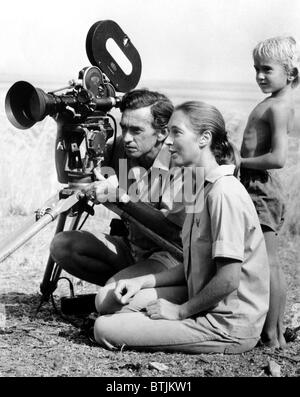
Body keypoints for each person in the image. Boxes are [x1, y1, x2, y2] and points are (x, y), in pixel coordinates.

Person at [93, 101, 270, 354]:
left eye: (177, 132)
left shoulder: (223, 193)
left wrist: (179, 311)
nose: (168, 142)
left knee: (104, 328)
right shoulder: (202, 186)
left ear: (204, 138)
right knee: (108, 300)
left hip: (226, 323)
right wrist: (141, 282)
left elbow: (229, 279)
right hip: (203, 297)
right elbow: (191, 265)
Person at [50, 89, 186, 293]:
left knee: (107, 298)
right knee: (63, 245)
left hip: (171, 257)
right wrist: (65, 126)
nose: (128, 138)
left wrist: (121, 198)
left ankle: (136, 292)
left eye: (136, 130)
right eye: (124, 128)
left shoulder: (183, 163)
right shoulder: (121, 147)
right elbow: (76, 175)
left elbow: (173, 233)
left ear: (162, 132)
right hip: (132, 248)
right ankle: (126, 289)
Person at [240, 36, 299, 348]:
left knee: (269, 262)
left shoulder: (277, 107)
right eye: (256, 69)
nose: (260, 76)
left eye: (267, 69)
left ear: (289, 73)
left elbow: (277, 159)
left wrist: (240, 162)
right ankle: (272, 330)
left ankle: (274, 335)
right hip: (256, 187)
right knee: (263, 261)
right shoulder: (275, 101)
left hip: (262, 188)